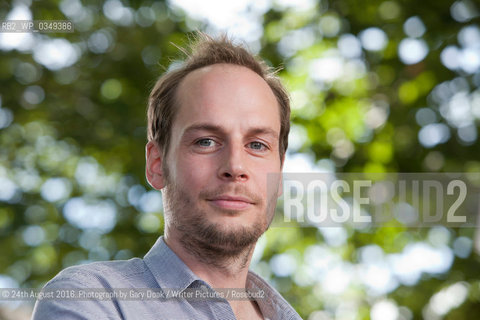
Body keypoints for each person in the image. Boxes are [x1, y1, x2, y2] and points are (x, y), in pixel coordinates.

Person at [32, 33, 301, 320]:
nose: (235, 167)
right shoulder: (90, 299)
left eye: (257, 145)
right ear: (157, 164)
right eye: (206, 141)